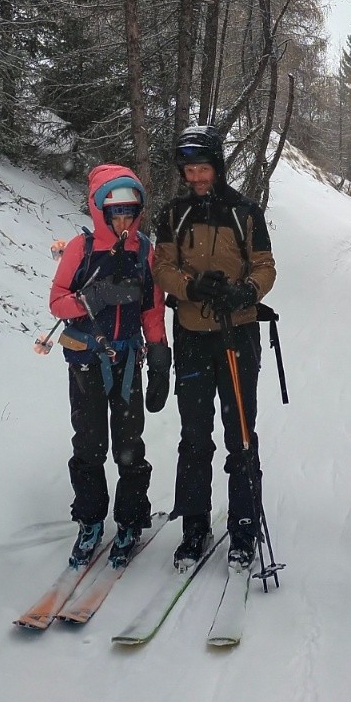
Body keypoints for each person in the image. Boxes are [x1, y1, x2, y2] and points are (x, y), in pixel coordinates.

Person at [153, 125, 276, 572]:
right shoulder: (173, 213)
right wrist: (190, 286)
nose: (196, 177)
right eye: (189, 170)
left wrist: (246, 292)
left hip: (237, 333)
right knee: (194, 436)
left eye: (202, 168)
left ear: (217, 167)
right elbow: (162, 267)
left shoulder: (244, 211)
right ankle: (194, 527)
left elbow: (265, 265)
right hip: (191, 334)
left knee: (240, 434)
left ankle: (244, 528)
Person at [49, 163, 171, 568]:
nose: (123, 219)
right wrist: (91, 299)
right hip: (85, 360)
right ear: (99, 210)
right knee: (88, 445)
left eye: (129, 211)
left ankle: (131, 520)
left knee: (129, 446)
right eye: (115, 211)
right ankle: (90, 522)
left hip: (128, 362)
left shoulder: (144, 250)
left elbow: (153, 310)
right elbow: (56, 302)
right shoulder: (79, 250)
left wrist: (159, 357)